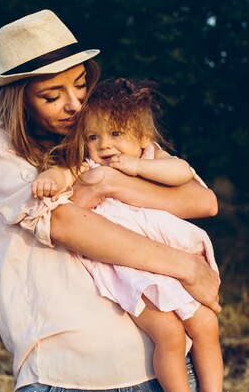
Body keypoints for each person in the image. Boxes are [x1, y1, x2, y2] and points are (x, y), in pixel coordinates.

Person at [0, 9, 220, 392]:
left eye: (81, 85)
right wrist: (187, 266)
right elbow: (63, 222)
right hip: (67, 374)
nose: (74, 105)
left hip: (162, 368)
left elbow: (200, 200)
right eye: (52, 95)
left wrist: (107, 184)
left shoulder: (104, 131)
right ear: (20, 100)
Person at [32, 78, 223, 392]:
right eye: (94, 136)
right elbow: (66, 174)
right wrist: (51, 177)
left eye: (116, 134)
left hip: (165, 258)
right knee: (169, 333)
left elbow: (183, 173)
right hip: (124, 264)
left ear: (143, 136)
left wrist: (136, 167)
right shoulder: (89, 166)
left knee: (206, 322)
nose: (104, 145)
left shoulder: (151, 158)